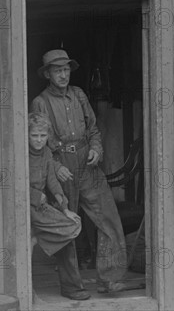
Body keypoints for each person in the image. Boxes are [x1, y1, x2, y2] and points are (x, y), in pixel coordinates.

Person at [31, 49, 127, 300]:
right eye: (57, 71)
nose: (63, 75)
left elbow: (93, 128)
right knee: (67, 225)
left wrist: (96, 147)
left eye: (66, 70)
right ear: (48, 74)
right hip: (62, 166)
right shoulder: (41, 102)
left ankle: (111, 278)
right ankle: (73, 287)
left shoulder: (79, 94)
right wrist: (55, 166)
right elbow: (39, 142)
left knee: (108, 216)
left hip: (88, 163)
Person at [27, 112, 85, 299]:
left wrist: (64, 208)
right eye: (34, 135)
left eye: (43, 136)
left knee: (72, 224)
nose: (38, 140)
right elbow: (16, 183)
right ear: (27, 135)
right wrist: (36, 196)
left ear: (48, 137)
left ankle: (72, 287)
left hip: (41, 207)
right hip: (26, 206)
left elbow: (52, 181)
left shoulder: (46, 153)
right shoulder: (21, 153)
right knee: (63, 231)